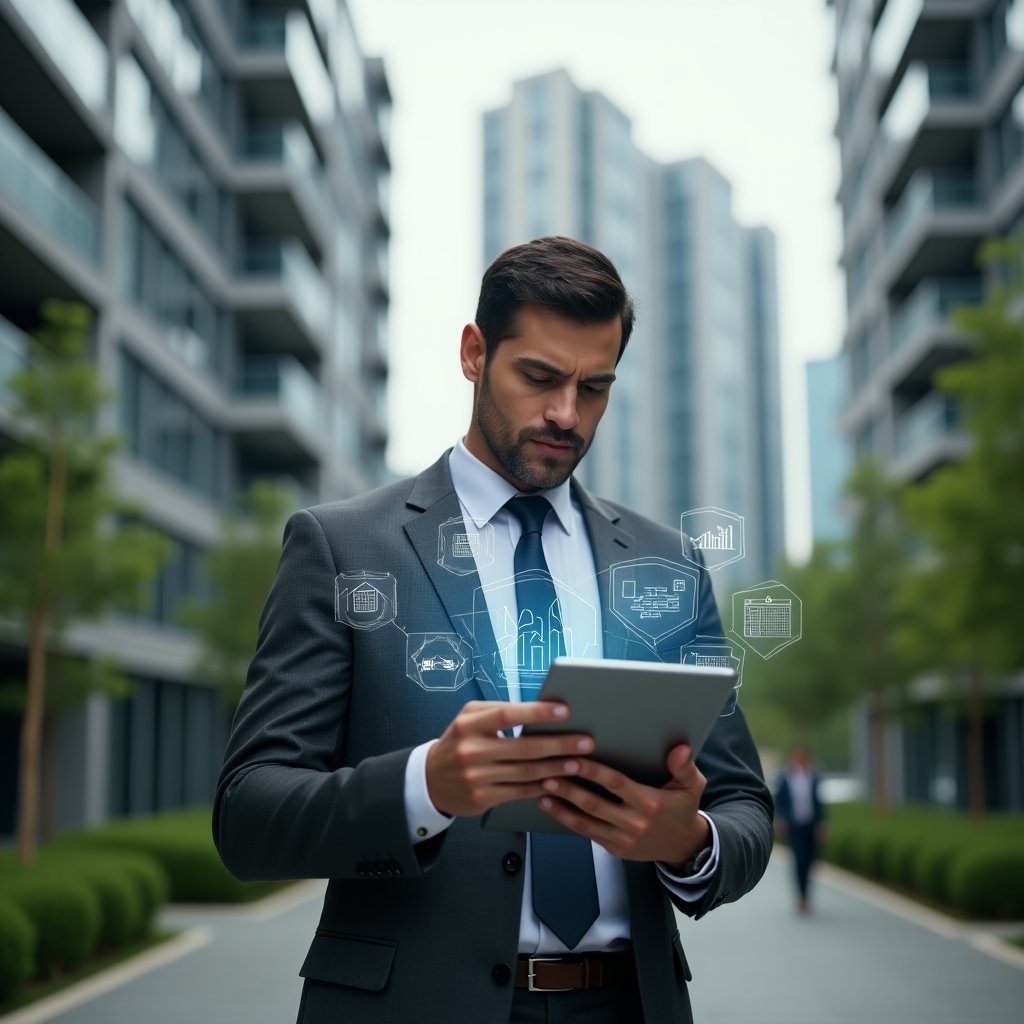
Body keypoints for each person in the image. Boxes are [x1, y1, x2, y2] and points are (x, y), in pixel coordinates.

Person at [214, 236, 773, 1024]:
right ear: (475, 353)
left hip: (628, 1006)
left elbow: (745, 804)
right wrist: (425, 787)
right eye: (539, 378)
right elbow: (248, 814)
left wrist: (690, 841)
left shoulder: (667, 565)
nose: (566, 414)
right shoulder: (344, 549)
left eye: (594, 388)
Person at [774, 747, 826, 914]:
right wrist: (781, 821)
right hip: (794, 826)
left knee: (810, 861)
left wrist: (822, 822)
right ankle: (801, 896)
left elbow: (819, 801)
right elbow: (779, 801)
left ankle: (807, 894)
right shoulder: (785, 778)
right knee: (799, 860)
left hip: (810, 825)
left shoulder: (813, 777)